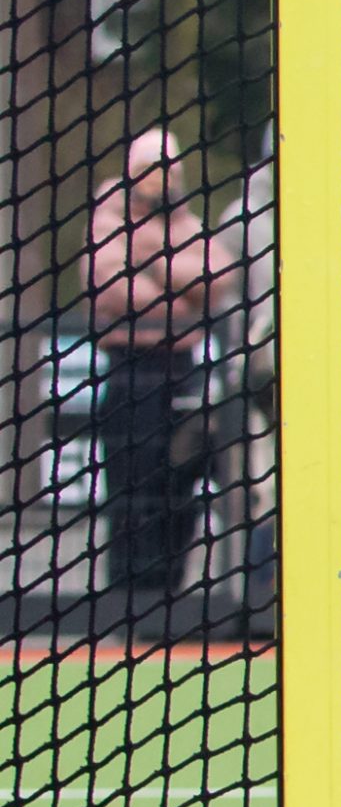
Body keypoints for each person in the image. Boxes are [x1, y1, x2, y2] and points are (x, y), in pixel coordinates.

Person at [85, 129, 234, 594]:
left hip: (182, 371)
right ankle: (129, 593)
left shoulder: (187, 223)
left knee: (181, 482)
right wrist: (178, 293)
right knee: (132, 487)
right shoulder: (108, 218)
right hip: (131, 371)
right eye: (153, 171)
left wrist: (153, 261)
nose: (163, 181)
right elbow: (114, 289)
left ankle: (169, 589)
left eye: (170, 170)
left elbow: (217, 276)